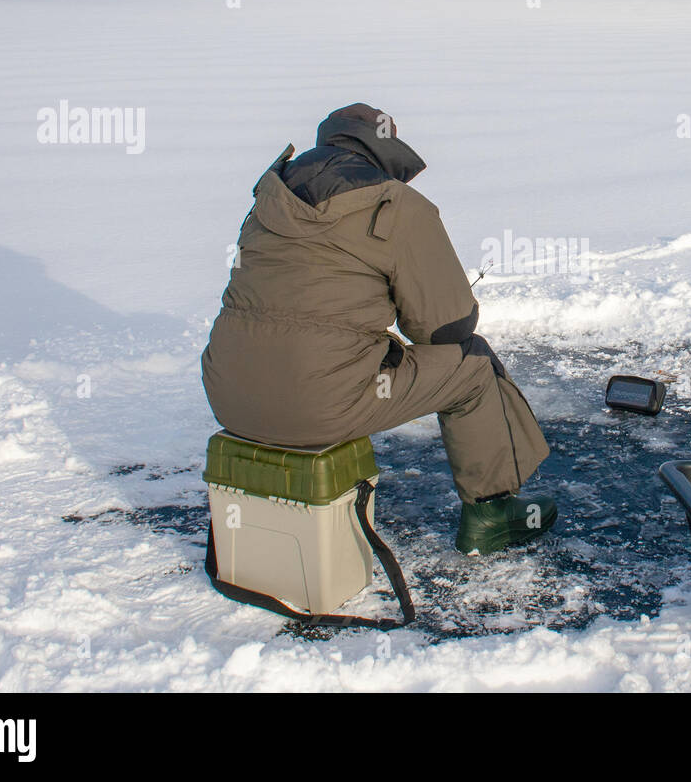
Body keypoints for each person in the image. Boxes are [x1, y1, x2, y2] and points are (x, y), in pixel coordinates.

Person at [201, 103, 556, 555]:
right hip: (316, 406)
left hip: (227, 396)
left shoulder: (268, 197)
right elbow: (447, 328)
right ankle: (491, 513)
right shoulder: (398, 204)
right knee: (473, 365)